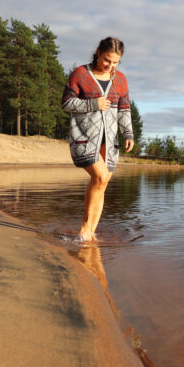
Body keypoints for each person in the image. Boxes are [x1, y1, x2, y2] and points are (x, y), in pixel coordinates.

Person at [62, 37, 134, 241]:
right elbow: (66, 103)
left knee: (103, 182)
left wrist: (128, 133)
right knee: (100, 177)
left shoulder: (120, 79)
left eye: (115, 62)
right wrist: (93, 104)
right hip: (84, 138)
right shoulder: (81, 74)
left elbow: (124, 108)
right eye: (106, 60)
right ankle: (85, 230)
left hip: (109, 141)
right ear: (98, 53)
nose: (110, 66)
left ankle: (90, 232)